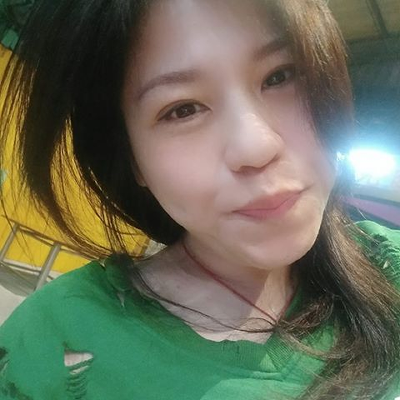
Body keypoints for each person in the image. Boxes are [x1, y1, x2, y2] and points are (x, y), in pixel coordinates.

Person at [0, 0, 399, 399]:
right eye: (182, 110)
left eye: (280, 76)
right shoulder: (54, 343)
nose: (257, 146)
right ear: (133, 159)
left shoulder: (388, 263)